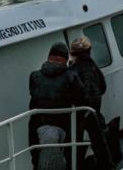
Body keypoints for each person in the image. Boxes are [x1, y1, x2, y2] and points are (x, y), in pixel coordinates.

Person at [28, 42, 84, 170]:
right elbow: (83, 100)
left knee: (38, 159)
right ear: (65, 59)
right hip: (61, 129)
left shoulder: (34, 76)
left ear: (49, 57)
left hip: (37, 127)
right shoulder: (71, 77)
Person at [68, 37, 110, 168]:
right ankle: (107, 164)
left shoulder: (72, 71)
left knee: (77, 142)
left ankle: (77, 165)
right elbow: (103, 87)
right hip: (94, 111)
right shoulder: (93, 67)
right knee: (100, 141)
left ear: (73, 53)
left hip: (81, 113)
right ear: (89, 51)